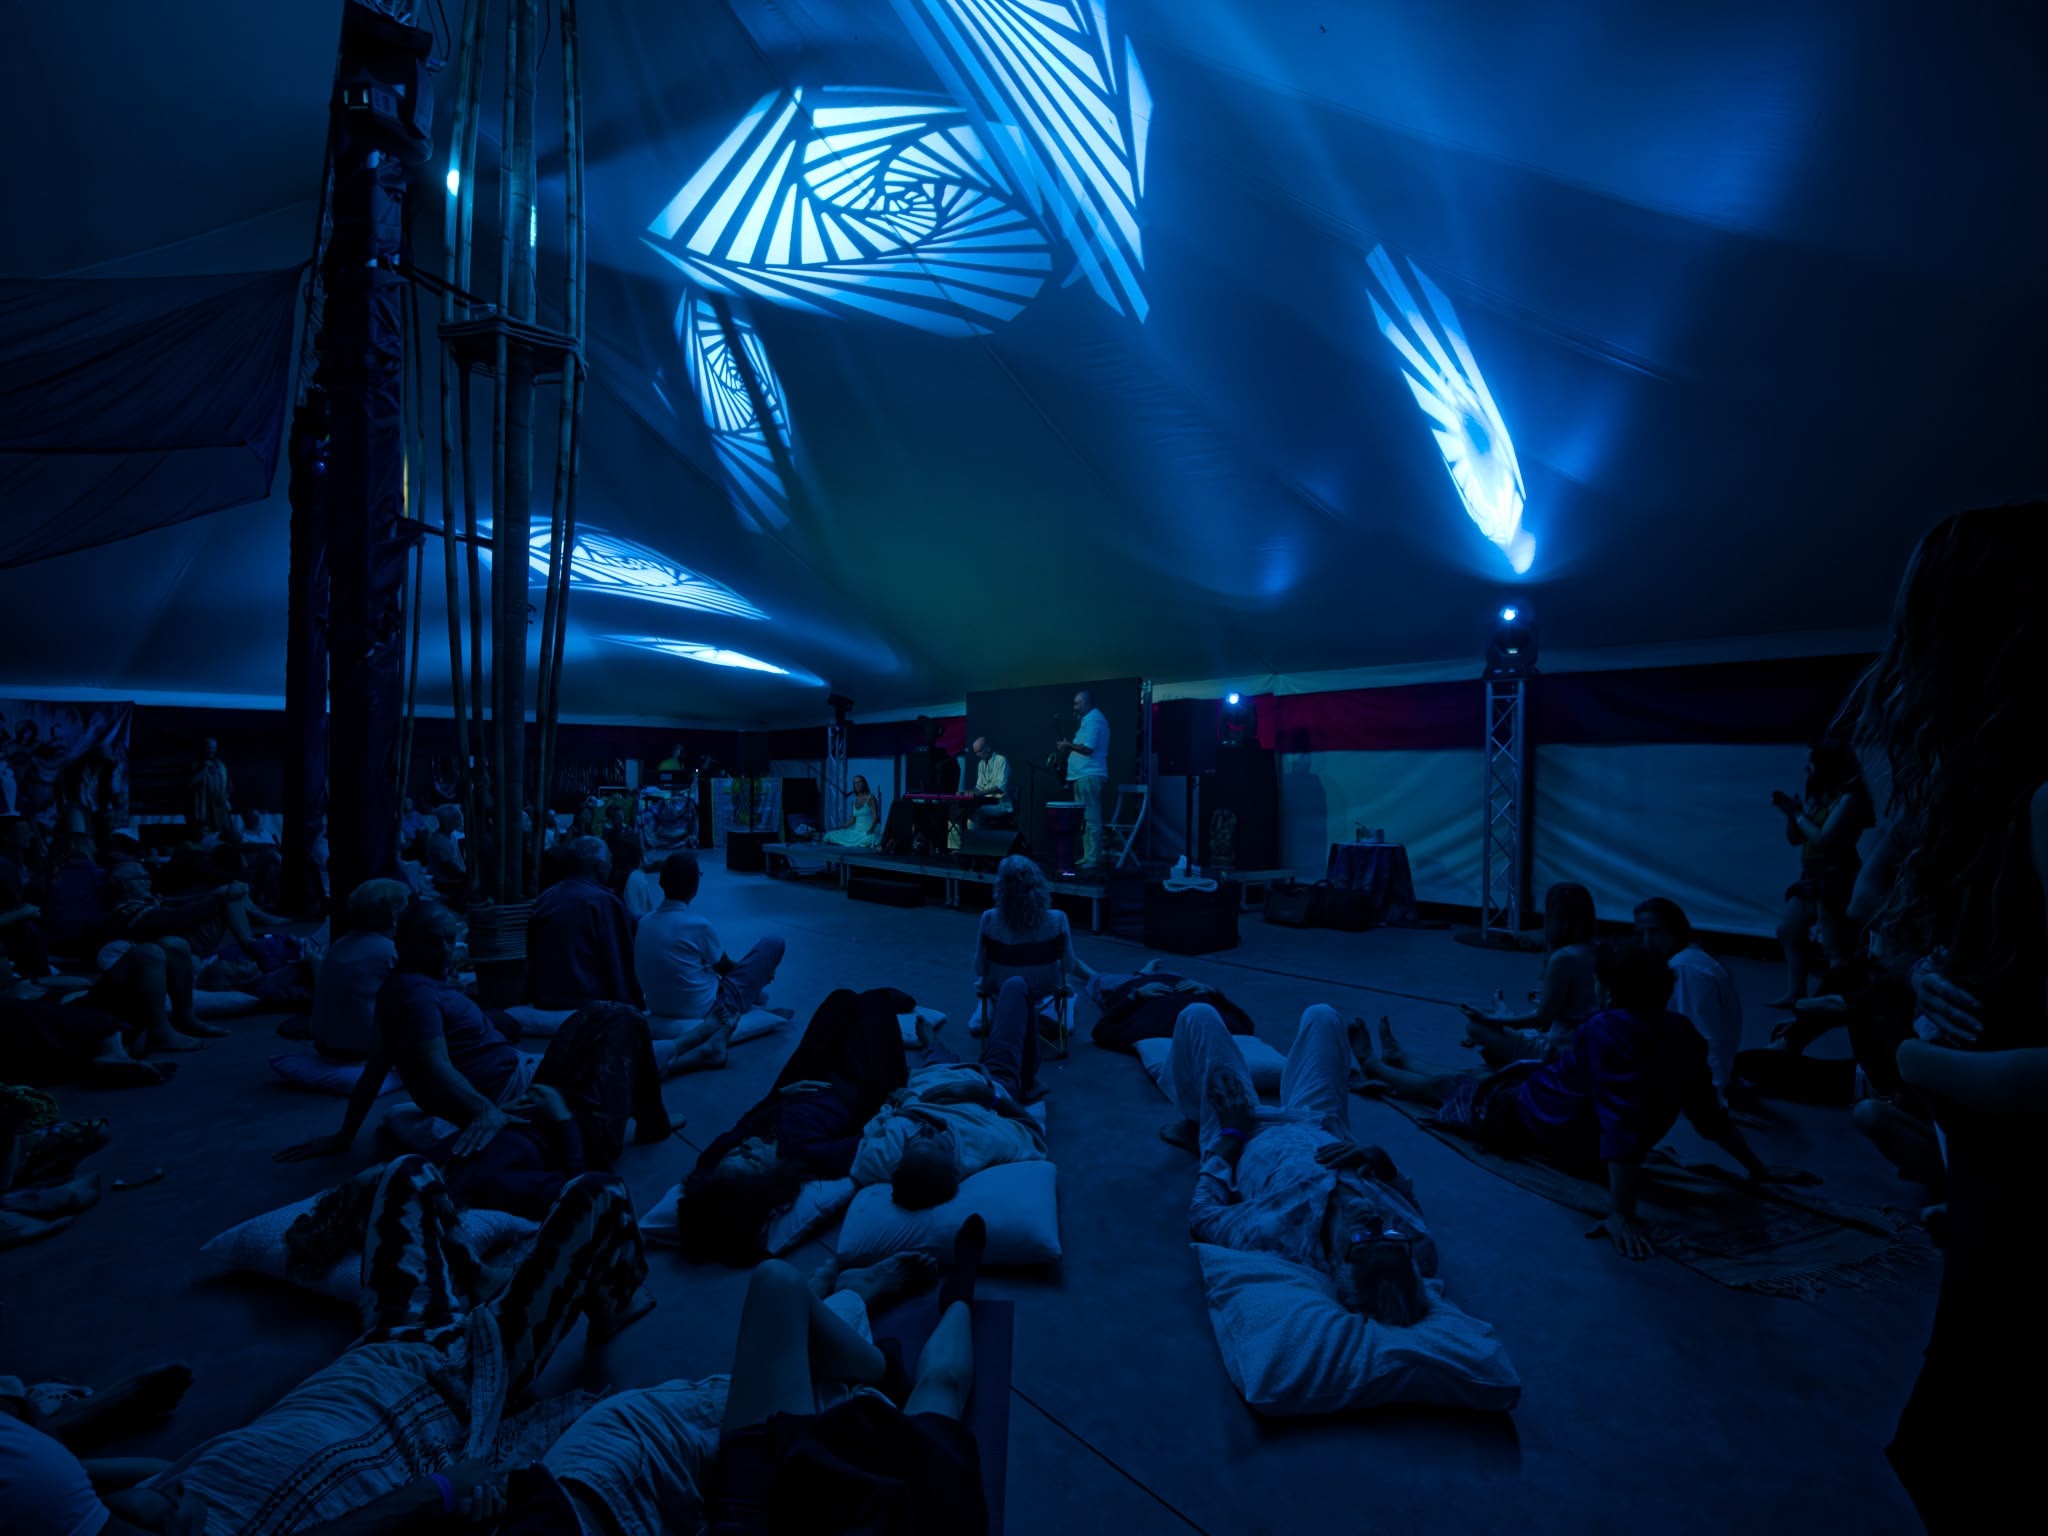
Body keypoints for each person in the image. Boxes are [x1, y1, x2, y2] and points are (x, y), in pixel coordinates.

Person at [1840, 504, 2048, 1529]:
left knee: (1970, 1461)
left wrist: (1922, 1062)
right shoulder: (2003, 799)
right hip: (1988, 1194)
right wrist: (1935, 972)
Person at [115, 1157, 658, 1535]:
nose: (165, 1498)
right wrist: (442, 1491)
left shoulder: (166, 1495)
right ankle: (610, 1306)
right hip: (462, 1378)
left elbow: (151, 1477)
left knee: (408, 1173)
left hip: (382, 1347)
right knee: (598, 1194)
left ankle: (471, 1277)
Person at [1360, 942, 1813, 1260]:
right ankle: (1403, 1059)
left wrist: (1622, 1212)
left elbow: (1622, 1123)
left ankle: (1375, 1066)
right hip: (1550, 1101)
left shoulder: (1606, 1030)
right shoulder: (1681, 1031)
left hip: (1540, 1122)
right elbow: (1706, 1112)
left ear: (1609, 990)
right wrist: (1756, 1168)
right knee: (1470, 1079)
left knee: (1446, 1091)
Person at [276, 903, 670, 1171]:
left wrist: (344, 1135)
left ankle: (645, 1109)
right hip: (515, 1086)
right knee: (622, 1019)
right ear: (404, 943)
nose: (444, 950)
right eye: (433, 940)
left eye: (449, 940)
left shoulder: (398, 987)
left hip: (513, 1069)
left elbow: (375, 1068)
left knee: (609, 1032)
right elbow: (436, 1064)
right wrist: (484, 1110)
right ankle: (652, 1122)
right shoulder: (416, 995)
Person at [708, 1218, 990, 1535]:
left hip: (770, 1507)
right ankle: (958, 1297)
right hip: (904, 1518)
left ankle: (869, 1353)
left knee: (776, 1280)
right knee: (943, 1384)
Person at [1179, 1003, 1435, 1322]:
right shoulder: (1416, 1246)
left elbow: (1202, 1215)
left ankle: (1193, 1118)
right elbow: (1410, 1207)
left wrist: (1231, 1132)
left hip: (1248, 1128)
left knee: (1198, 1014)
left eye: (1362, 1239)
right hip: (1321, 1124)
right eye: (1388, 1234)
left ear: (1336, 1264)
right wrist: (1384, 1165)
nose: (1372, 1220)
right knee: (1323, 1015)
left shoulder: (1276, 1233)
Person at [680, 988, 911, 1267]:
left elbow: (725, 1143)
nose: (746, 1145)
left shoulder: (726, 1159)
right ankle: (885, 1001)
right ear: (771, 1178)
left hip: (793, 1089)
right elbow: (866, 1141)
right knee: (872, 1004)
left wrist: (779, 1096)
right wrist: (891, 1107)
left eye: (736, 1151)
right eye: (751, 1158)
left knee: (841, 1000)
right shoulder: (809, 1155)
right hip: (854, 1089)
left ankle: (875, 1005)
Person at [856, 975, 1050, 1211]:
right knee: (1015, 986)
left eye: (913, 1142)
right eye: (938, 1144)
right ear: (955, 1168)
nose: (925, 1130)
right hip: (990, 1080)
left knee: (870, 1009)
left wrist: (896, 1104)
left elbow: (867, 1149)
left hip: (932, 1074)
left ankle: (932, 1044)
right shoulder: (986, 1143)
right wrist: (982, 1095)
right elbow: (1033, 1132)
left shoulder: (880, 1158)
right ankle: (1026, 1080)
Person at [635, 852, 786, 1071]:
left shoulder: (644, 923)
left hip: (660, 1005)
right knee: (773, 943)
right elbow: (726, 968)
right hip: (706, 1009)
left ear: (661, 883)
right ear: (695, 885)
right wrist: (757, 973)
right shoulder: (698, 925)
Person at [1770, 741, 1874, 1006]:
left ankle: (1837, 1001)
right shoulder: (1822, 796)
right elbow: (1796, 839)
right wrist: (1791, 815)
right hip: (1811, 874)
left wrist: (1798, 814)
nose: (1807, 769)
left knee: (1835, 946)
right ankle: (1796, 992)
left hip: (1837, 875)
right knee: (1789, 930)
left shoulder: (1850, 799)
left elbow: (1825, 840)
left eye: (1812, 764)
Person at [1457, 881, 1599, 1064]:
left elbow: (1542, 1018)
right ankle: (1502, 1013)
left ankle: (1501, 1017)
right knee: (1509, 1023)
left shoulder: (1563, 958)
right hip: (1587, 1042)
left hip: (1561, 1048)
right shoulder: (1597, 950)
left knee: (1475, 1028)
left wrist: (1490, 1020)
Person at [970, 856, 1092, 1038]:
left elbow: (980, 968)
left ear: (1000, 887)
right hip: (1046, 987)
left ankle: (988, 1010)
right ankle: (1059, 1013)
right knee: (1067, 992)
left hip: (1003, 988)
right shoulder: (1059, 918)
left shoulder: (988, 918)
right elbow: (1069, 965)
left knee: (985, 987)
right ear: (1039, 884)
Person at [1634, 897, 1743, 1099]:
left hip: (1695, 1087)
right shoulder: (1690, 960)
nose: (1647, 941)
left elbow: (1702, 1038)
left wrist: (1714, 1097)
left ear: (1675, 930)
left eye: (1654, 931)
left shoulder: (1684, 969)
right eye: (1641, 934)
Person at [523, 837, 640, 1012]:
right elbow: (619, 963)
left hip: (545, 998)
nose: (611, 866)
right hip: (588, 1000)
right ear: (598, 866)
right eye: (609, 861)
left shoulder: (545, 898)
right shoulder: (603, 902)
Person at [310, 880, 409, 1061]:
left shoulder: (339, 945)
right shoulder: (387, 950)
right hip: (364, 1048)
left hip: (326, 1043)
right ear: (395, 916)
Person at [101, 862, 273, 964]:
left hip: (180, 942)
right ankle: (254, 946)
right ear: (122, 885)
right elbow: (176, 919)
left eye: (147, 877)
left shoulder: (140, 902)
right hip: (181, 950)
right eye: (141, 878)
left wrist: (216, 894)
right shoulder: (126, 911)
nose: (148, 882)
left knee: (226, 892)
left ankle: (255, 940)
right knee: (228, 897)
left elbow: (180, 902)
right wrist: (221, 897)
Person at [1054, 690, 1110, 870]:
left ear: (1087, 703)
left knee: (1091, 818)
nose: (1075, 707)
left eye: (1077, 703)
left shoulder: (1094, 720)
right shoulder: (1089, 720)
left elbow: (1088, 749)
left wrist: (1067, 745)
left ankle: (1093, 859)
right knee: (1085, 819)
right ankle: (1088, 857)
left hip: (1089, 775)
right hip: (1082, 776)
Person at [0, 815, 51, 979]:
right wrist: (26, 911)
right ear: (6, 836)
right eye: (23, 830)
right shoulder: (5, 865)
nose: (30, 834)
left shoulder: (20, 863)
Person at [187, 738, 232, 840]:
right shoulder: (195, 765)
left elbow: (229, 786)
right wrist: (203, 769)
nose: (211, 750)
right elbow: (189, 784)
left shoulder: (221, 765)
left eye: (214, 748)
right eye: (209, 747)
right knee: (207, 834)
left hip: (220, 806)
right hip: (204, 807)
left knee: (222, 833)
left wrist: (225, 798)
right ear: (203, 748)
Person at [821, 775, 881, 851]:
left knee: (870, 839)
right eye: (855, 783)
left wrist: (870, 830)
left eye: (859, 782)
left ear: (864, 784)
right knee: (829, 835)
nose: (857, 785)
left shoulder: (871, 798)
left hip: (867, 832)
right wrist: (843, 826)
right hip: (856, 833)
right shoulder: (855, 800)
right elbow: (853, 818)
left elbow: (875, 817)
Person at [968, 738, 1011, 826]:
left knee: (978, 811)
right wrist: (969, 793)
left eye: (979, 751)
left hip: (1001, 804)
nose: (977, 755)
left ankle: (977, 834)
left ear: (988, 748)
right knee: (965, 809)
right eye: (975, 752)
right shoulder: (981, 764)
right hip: (986, 801)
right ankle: (968, 833)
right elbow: (978, 787)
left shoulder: (1001, 760)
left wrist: (979, 794)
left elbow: (1000, 787)